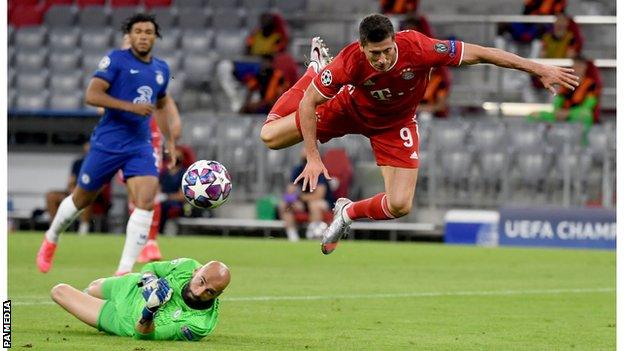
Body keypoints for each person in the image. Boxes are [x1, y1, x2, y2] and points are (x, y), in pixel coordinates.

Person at [260, 14, 579, 255]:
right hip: (347, 109)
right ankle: (314, 71)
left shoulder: (420, 47)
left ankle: (346, 211)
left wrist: (539, 69)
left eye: (386, 51)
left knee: (400, 205)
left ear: (394, 41)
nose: (382, 59)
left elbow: (482, 53)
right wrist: (313, 157)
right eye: (374, 54)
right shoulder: (349, 62)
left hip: (393, 125)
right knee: (270, 137)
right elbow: (309, 102)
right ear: (362, 48)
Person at [36, 13, 177, 274]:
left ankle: (123, 272)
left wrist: (169, 142)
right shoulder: (115, 60)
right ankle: (51, 237)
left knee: (146, 200)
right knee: (81, 199)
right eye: (138, 31)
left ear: (155, 36)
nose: (143, 36)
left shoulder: (161, 69)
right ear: (130, 35)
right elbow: (92, 95)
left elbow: (160, 107)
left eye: (148, 32)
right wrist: (130, 107)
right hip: (108, 143)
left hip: (140, 145)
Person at [50, 258, 230, 341]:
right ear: (196, 272)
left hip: (122, 320)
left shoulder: (200, 324)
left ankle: (91, 304)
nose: (199, 292)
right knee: (93, 286)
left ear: (217, 295)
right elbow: (151, 266)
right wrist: (149, 280)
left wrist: (149, 311)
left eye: (209, 292)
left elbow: (143, 335)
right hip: (130, 286)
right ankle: (89, 295)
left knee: (59, 291)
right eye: (201, 282)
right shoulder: (187, 265)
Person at [45, 142, 111, 235]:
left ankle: (83, 230)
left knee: (85, 197)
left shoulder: (102, 163)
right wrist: (74, 191)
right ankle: (55, 229)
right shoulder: (77, 163)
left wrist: (84, 192)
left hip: (93, 194)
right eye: (87, 145)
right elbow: (71, 182)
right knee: (51, 196)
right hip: (75, 192)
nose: (88, 147)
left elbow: (103, 185)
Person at [528, 55, 601, 138]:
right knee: (534, 115)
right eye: (575, 65)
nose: (577, 68)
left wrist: (568, 113)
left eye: (580, 65)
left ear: (585, 67)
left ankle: (582, 143)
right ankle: (540, 141)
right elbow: (558, 100)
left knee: (585, 115)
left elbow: (588, 106)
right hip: (562, 113)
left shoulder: (591, 84)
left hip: (577, 114)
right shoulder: (566, 82)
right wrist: (558, 112)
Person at [279, 148, 334, 241]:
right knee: (284, 204)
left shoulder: (319, 170)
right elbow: (289, 193)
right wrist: (293, 200)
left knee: (314, 205)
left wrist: (300, 197)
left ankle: (313, 235)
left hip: (323, 202)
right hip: (304, 202)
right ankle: (293, 237)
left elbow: (319, 195)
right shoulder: (297, 169)